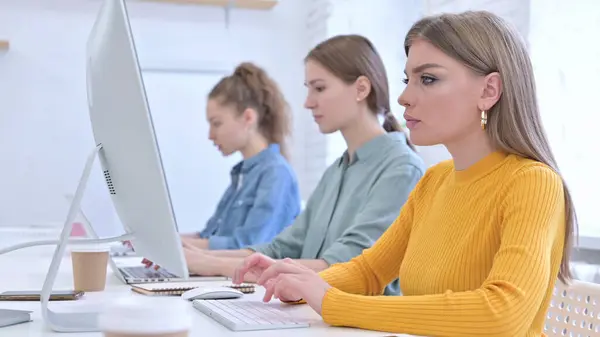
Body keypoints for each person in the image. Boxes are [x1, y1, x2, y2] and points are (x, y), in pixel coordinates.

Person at [235, 11, 577, 337]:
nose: (404, 97)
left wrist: (331, 301)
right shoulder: (434, 180)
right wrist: (298, 280)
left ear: (489, 91)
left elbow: (503, 314)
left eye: (428, 79)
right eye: (407, 79)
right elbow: (368, 271)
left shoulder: (533, 182)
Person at [180, 34, 425, 295]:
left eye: (319, 88)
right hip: (313, 314)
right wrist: (198, 257)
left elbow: (347, 266)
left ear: (361, 89)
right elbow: (280, 248)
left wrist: (210, 263)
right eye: (308, 89)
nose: (308, 102)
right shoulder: (336, 171)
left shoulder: (401, 169)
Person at [179, 62, 301, 250]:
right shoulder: (242, 175)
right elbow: (208, 236)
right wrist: (167, 243)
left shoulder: (276, 175)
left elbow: (248, 246)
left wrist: (181, 247)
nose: (210, 135)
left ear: (248, 118)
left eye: (217, 123)